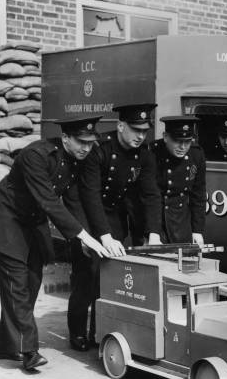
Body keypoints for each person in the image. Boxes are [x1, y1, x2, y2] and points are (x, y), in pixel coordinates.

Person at [0, 115, 110, 371]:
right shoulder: (36, 155)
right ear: (66, 138)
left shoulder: (74, 161)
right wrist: (82, 235)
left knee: (32, 283)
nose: (86, 148)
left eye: (90, 144)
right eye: (81, 142)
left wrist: (82, 238)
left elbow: (72, 201)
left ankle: (4, 344)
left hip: (31, 223)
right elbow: (49, 200)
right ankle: (28, 351)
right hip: (6, 219)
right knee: (17, 286)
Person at [69, 103, 161, 351]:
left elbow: (150, 194)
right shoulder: (100, 149)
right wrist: (102, 237)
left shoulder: (144, 154)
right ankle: (77, 331)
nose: (141, 136)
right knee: (87, 275)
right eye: (135, 130)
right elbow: (90, 195)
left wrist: (152, 233)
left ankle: (99, 332)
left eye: (144, 131)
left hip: (115, 216)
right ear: (120, 126)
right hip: (88, 217)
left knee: (110, 278)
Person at [150, 115, 206, 244]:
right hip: (156, 220)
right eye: (177, 141)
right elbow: (148, 197)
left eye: (187, 141)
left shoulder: (196, 155)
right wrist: (151, 232)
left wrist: (197, 231)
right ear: (165, 137)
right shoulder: (152, 153)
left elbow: (198, 195)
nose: (183, 147)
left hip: (181, 221)